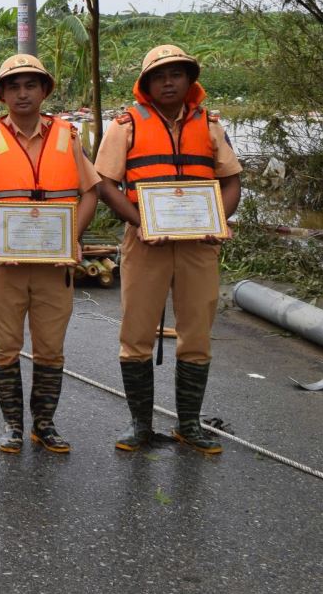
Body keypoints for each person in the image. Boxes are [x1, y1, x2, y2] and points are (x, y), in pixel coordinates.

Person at [95, 44, 242, 455]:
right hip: (146, 243)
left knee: (197, 334)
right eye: (159, 76)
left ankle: (189, 425)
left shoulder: (211, 125)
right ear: (146, 84)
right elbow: (105, 184)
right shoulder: (126, 125)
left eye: (176, 74)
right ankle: (140, 425)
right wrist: (141, 222)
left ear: (190, 79)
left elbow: (232, 181)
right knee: (136, 334)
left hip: (199, 245)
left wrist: (219, 222)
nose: (168, 82)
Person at [0, 54, 100, 455]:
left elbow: (91, 191)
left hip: (54, 264)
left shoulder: (67, 136)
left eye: (30, 85)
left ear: (43, 90)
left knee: (51, 346)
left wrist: (73, 235)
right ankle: (13, 425)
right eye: (13, 86)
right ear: (1, 93)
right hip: (4, 262)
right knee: (4, 345)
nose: (22, 93)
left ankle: (45, 424)